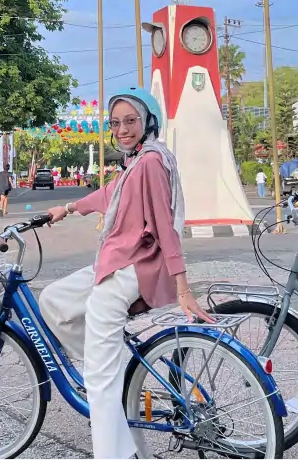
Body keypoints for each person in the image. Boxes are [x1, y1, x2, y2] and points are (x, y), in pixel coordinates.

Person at [39, 87, 214, 460]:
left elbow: (166, 229)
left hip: (132, 267)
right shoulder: (138, 162)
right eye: (116, 123)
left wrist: (183, 288)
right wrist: (67, 207)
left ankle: (115, 450)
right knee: (54, 300)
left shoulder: (150, 162)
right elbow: (109, 194)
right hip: (118, 262)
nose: (122, 129)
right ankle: (117, 361)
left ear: (148, 121)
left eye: (130, 121)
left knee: (99, 383)